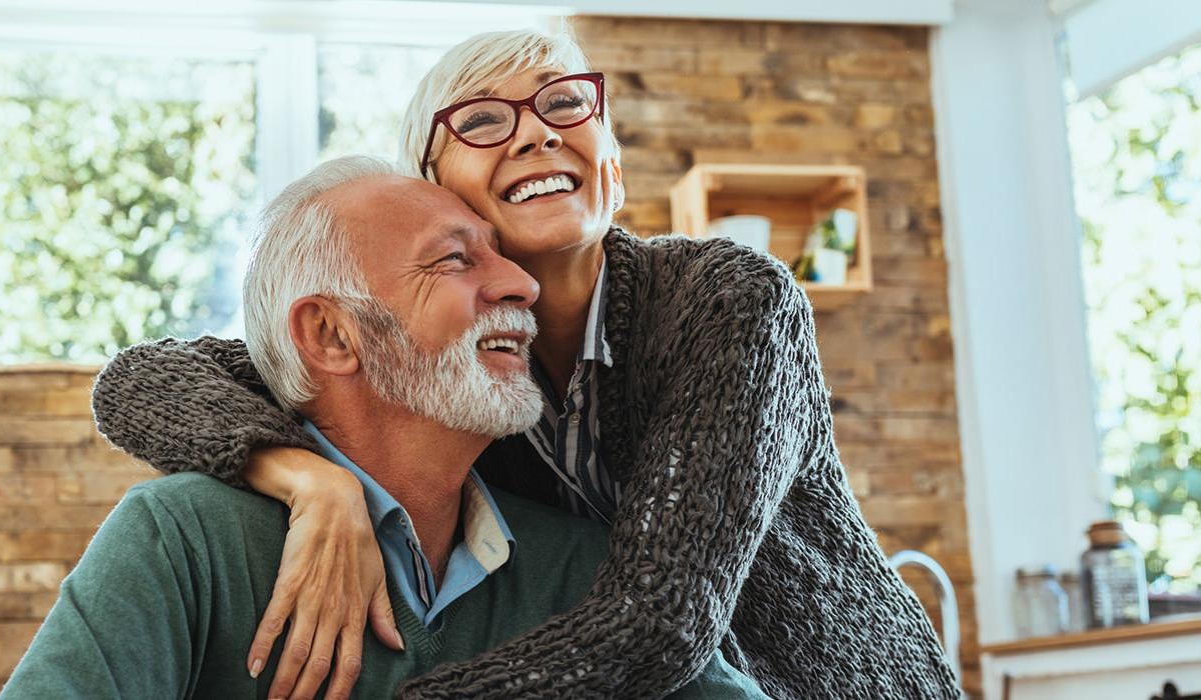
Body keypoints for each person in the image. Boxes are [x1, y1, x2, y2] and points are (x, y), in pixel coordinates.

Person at [88, 28, 961, 699]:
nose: (537, 134)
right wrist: (312, 480)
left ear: (611, 166)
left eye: (565, 106)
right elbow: (141, 379)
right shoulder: (452, 371)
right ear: (432, 186)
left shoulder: (729, 301)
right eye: (481, 120)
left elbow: (659, 622)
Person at [0, 157, 766, 700]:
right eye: (454, 261)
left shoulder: (586, 567)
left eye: (499, 255)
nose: (521, 284)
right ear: (333, 336)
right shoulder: (185, 541)